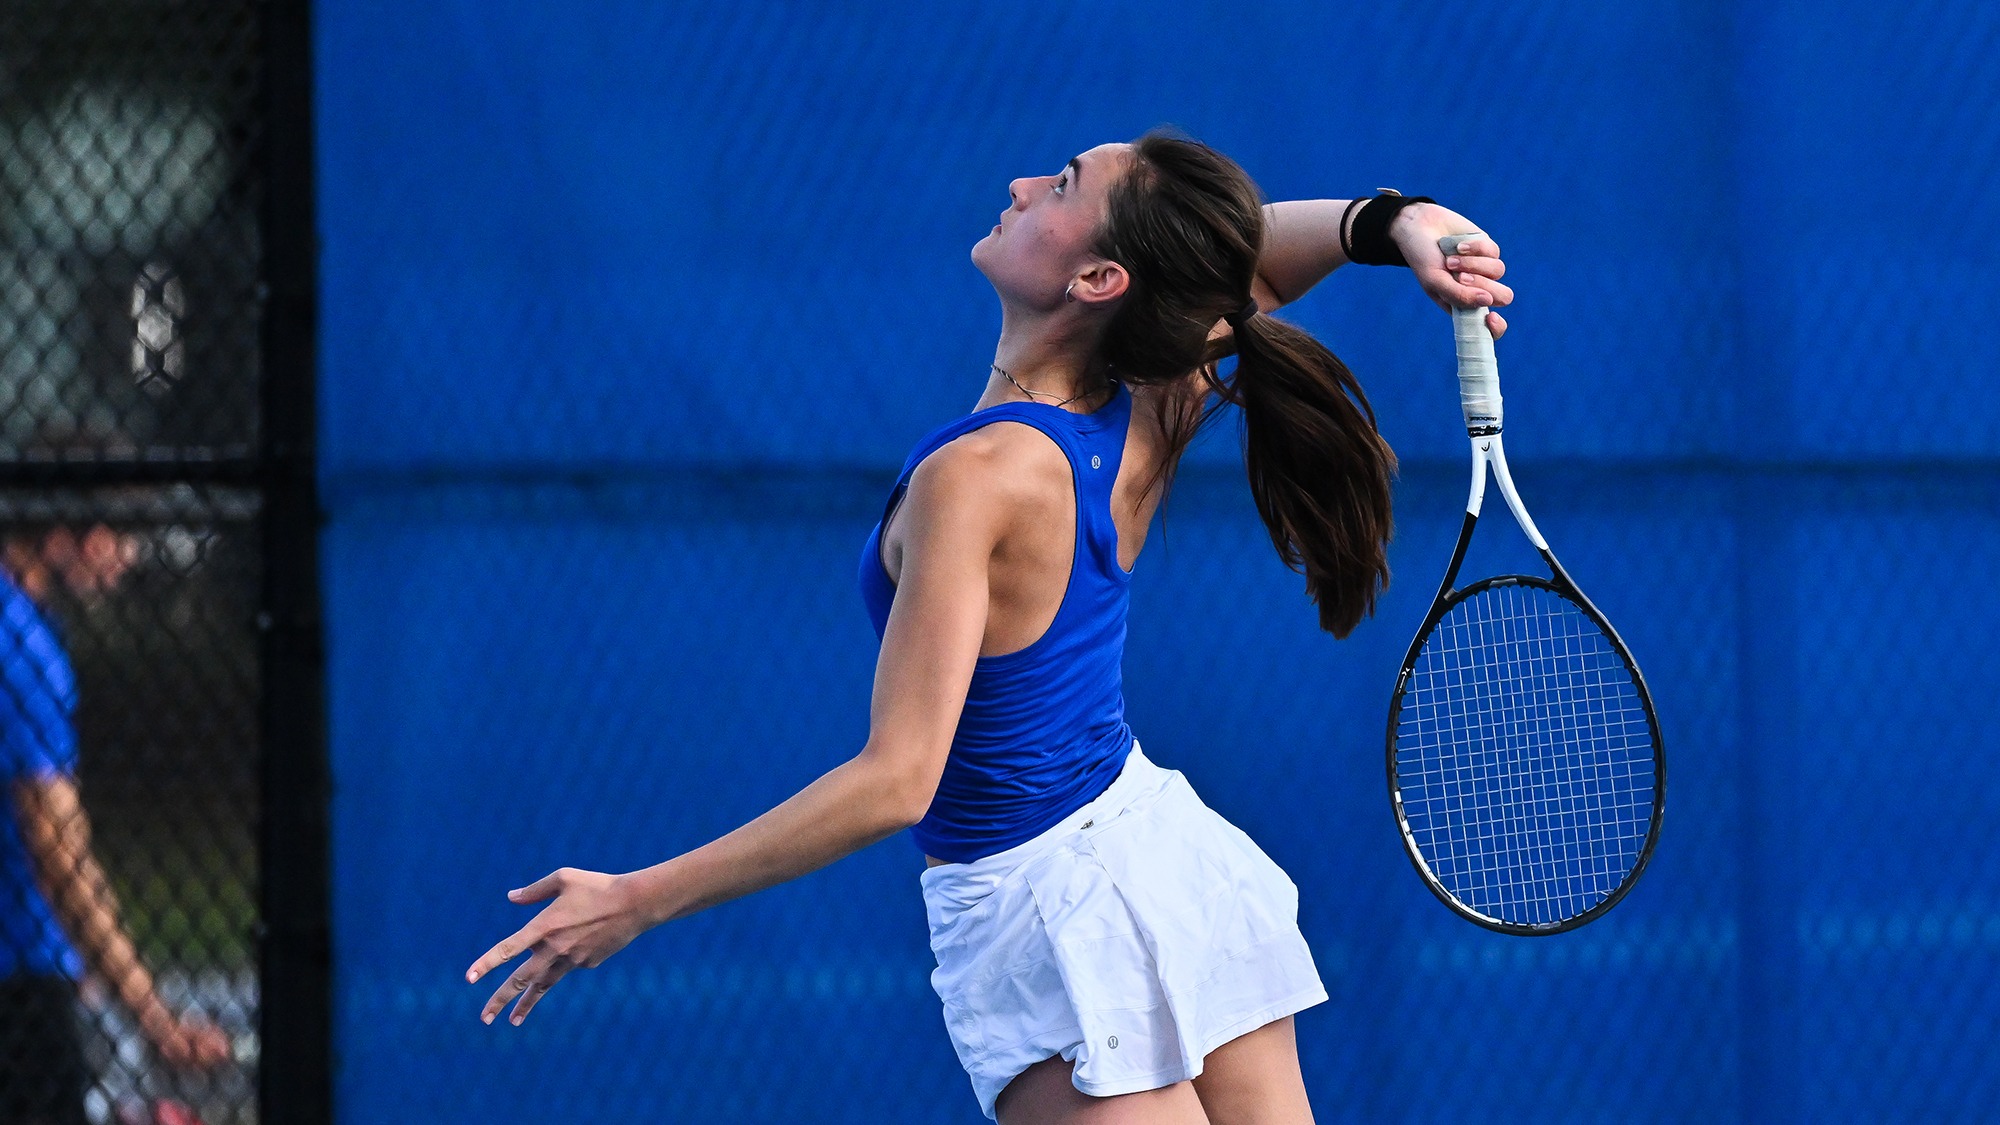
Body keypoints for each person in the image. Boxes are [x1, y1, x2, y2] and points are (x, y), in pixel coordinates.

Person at [467, 131, 1512, 1123]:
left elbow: (896, 781)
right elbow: (1249, 268)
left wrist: (637, 899)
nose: (1019, 186)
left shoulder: (976, 477)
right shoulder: (1148, 400)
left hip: (1046, 913)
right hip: (1159, 856)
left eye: (1059, 185)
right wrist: (1397, 221)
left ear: (1099, 281)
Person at [1, 523, 230, 1125]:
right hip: (16, 982)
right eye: (119, 536)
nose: (128, 559)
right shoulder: (22, 648)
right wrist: (155, 1021)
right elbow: (60, 858)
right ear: (65, 536)